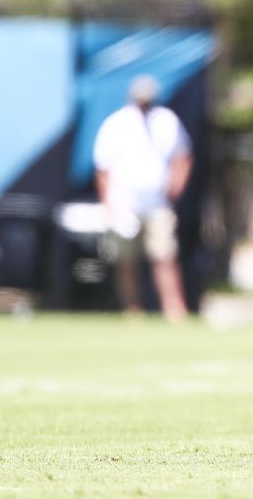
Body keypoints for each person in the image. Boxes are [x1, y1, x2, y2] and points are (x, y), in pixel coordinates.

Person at [93, 75, 193, 322]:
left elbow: (183, 154)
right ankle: (132, 309)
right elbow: (102, 167)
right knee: (126, 259)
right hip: (125, 202)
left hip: (157, 202)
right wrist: (108, 203)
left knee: (164, 255)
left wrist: (176, 184)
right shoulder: (117, 123)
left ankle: (174, 309)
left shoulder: (167, 121)